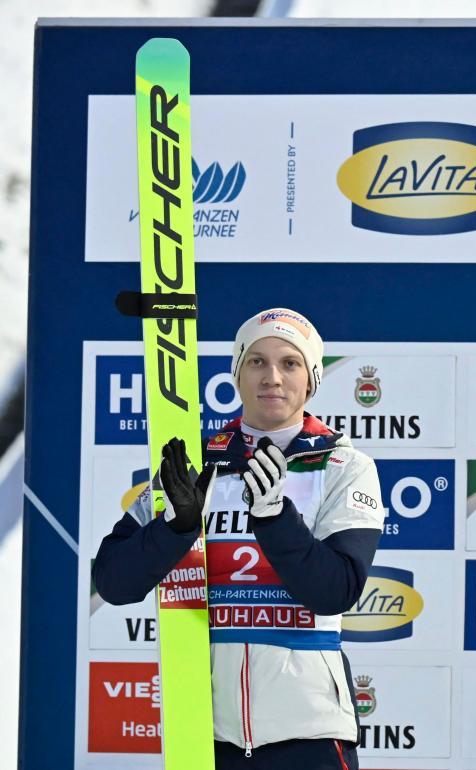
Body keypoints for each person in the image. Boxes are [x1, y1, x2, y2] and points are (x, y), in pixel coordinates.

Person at [93, 308, 384, 769]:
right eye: (256, 361)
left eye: (290, 363)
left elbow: (336, 591)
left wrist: (274, 518)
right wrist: (176, 528)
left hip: (309, 735)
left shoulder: (343, 466)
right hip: (206, 734)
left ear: (310, 379)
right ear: (237, 374)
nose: (272, 377)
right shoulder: (195, 467)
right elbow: (113, 582)